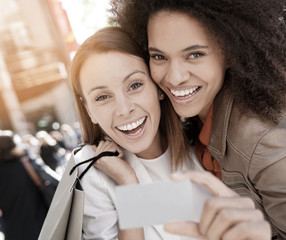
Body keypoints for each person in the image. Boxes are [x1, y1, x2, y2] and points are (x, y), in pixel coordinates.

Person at [112, 0, 286, 239]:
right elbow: (187, 201)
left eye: (194, 54)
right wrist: (126, 186)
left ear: (230, 51)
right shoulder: (187, 117)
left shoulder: (261, 136)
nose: (174, 77)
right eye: (159, 57)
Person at [69, 26, 270, 240]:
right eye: (102, 97)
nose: (124, 109)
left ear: (157, 86)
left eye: (135, 85)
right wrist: (128, 183)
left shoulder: (199, 139)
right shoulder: (94, 169)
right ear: (89, 110)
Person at [0, 130, 48, 240]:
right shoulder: (27, 164)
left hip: (12, 231)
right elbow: (56, 183)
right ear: (13, 146)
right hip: (41, 226)